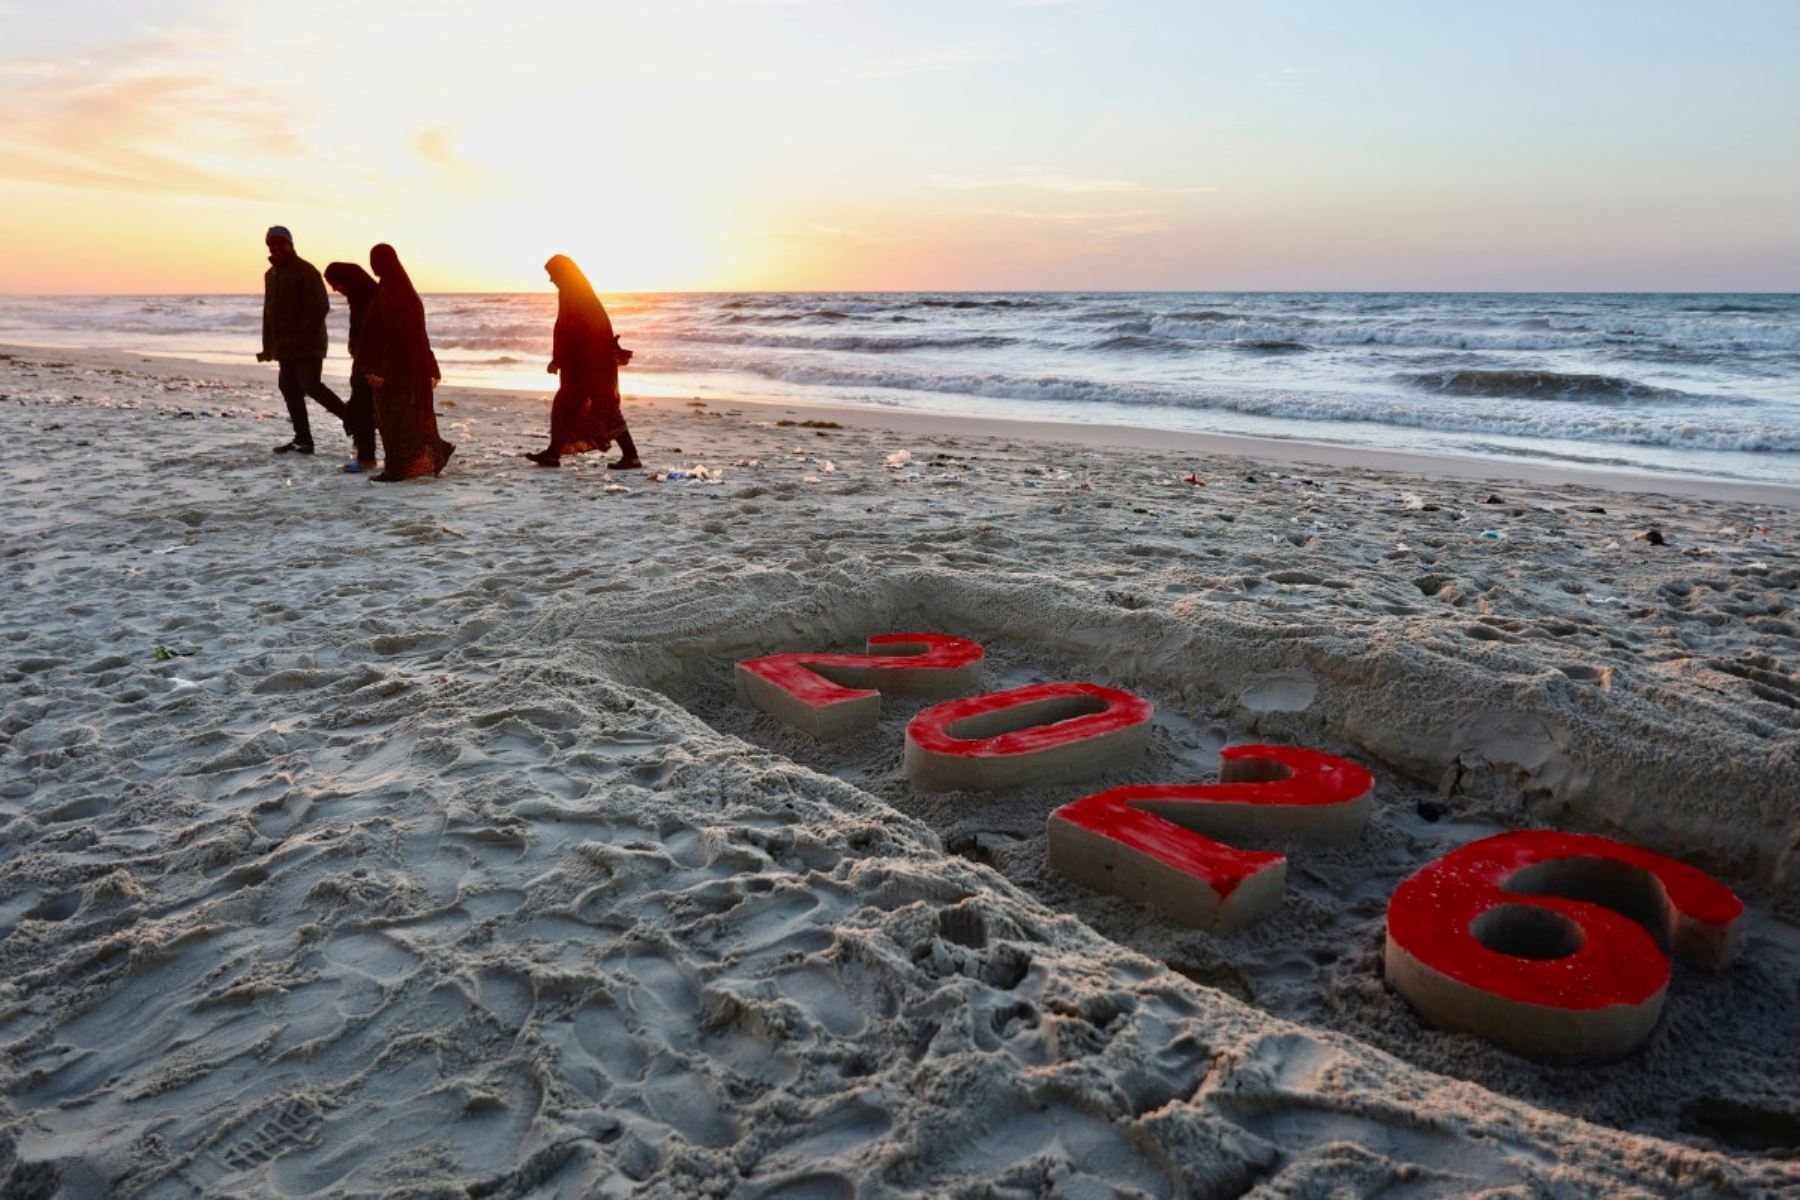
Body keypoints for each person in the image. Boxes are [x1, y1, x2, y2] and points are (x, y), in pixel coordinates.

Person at [525, 254, 640, 470]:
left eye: (552, 275)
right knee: (565, 408)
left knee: (605, 410)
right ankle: (552, 453)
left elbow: (571, 331)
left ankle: (631, 456)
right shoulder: (578, 292)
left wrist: (558, 359)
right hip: (584, 365)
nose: (551, 280)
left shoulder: (575, 294)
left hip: (590, 366)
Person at [354, 244, 454, 482]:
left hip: (396, 369)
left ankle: (397, 470)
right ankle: (437, 451)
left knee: (393, 419)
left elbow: (394, 337)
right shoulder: (401, 289)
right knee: (407, 418)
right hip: (409, 367)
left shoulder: (392, 293)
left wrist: (383, 372)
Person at [257, 225, 347, 454]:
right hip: (283, 346)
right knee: (288, 387)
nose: (276, 247)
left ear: (290, 244)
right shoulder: (271, 275)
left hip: (308, 344)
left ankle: (353, 420)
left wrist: (302, 336)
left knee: (311, 385)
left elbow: (319, 307)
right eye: (272, 244)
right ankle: (303, 439)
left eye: (281, 243)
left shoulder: (305, 270)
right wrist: (268, 347)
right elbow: (268, 312)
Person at [322, 261, 380, 474]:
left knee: (363, 406)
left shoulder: (365, 297)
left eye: (335, 283)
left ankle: (366, 458)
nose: (334, 289)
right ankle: (365, 455)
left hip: (371, 360)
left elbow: (369, 330)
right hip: (367, 358)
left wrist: (362, 356)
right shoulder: (363, 294)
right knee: (363, 405)